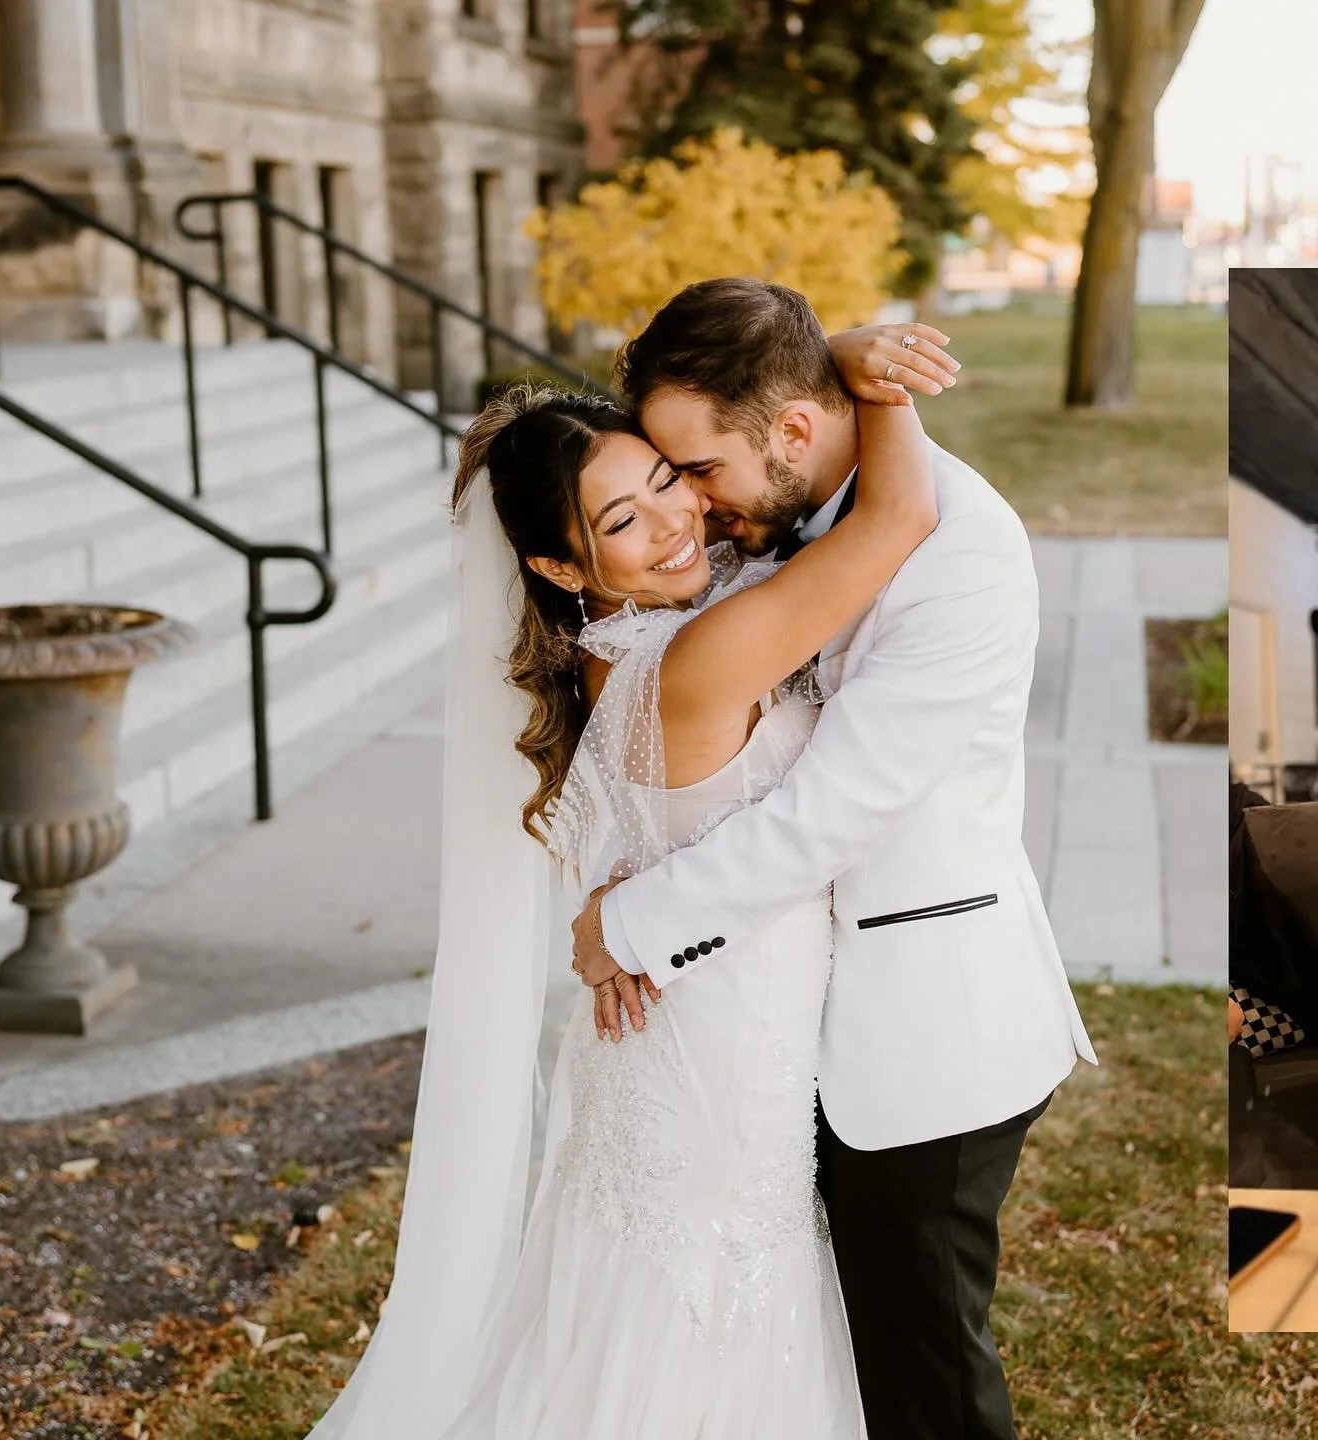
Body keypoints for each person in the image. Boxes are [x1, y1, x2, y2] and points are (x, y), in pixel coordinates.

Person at [302, 312, 957, 1440]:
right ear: (561, 568)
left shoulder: (652, 633)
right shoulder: (700, 656)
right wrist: (865, 377)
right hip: (716, 1061)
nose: (674, 521)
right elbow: (900, 515)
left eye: (668, 479)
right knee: (687, 1326)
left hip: (685, 1034)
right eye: (623, 518)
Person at [571, 278, 1095, 1440]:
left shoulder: (959, 549)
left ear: (795, 431)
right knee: (825, 1364)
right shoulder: (785, 497)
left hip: (927, 1030)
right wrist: (846, 355)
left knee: (926, 1382)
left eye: (699, 473)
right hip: (787, 1027)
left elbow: (833, 813)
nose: (693, 511)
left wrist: (635, 919)